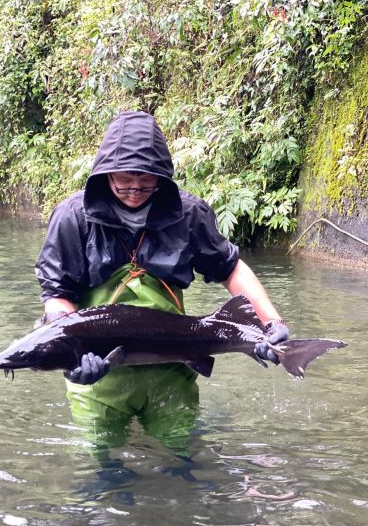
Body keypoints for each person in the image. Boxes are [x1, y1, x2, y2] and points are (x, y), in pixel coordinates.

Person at [35, 111, 289, 451]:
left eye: (146, 182)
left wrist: (268, 322)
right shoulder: (73, 217)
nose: (135, 191)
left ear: (162, 177)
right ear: (105, 175)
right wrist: (73, 357)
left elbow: (230, 267)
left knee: (182, 451)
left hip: (173, 365)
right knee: (102, 461)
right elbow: (56, 294)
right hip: (100, 374)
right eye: (124, 182)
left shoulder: (189, 214)